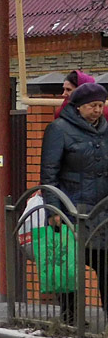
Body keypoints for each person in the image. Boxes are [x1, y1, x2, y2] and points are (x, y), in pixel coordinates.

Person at [39, 81, 108, 324]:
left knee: (105, 265)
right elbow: (49, 173)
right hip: (72, 209)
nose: (97, 110)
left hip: (102, 211)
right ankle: (71, 317)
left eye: (100, 105)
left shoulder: (106, 130)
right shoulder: (59, 129)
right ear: (78, 107)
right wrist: (53, 208)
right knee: (70, 265)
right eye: (92, 106)